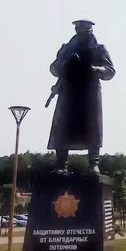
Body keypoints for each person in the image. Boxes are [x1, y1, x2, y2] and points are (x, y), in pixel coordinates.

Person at [47, 20, 115, 172]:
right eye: (80, 30)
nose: (83, 34)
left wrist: (96, 69)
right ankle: (61, 164)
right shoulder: (66, 48)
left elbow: (110, 71)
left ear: (91, 31)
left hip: (89, 93)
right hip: (69, 91)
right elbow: (53, 68)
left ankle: (94, 163)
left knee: (92, 127)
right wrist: (64, 63)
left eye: (86, 31)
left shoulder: (99, 49)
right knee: (63, 126)